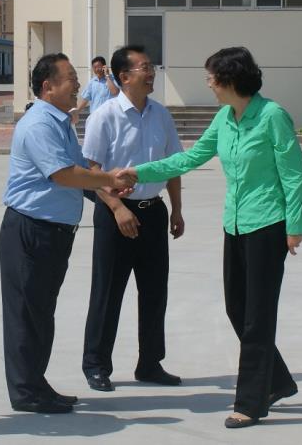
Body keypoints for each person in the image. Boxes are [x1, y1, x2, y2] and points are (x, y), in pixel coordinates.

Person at [119, 47, 302, 429]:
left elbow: (294, 174)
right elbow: (188, 159)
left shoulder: (272, 116)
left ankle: (250, 403)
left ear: (230, 79)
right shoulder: (224, 118)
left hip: (268, 226)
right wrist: (139, 172)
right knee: (237, 309)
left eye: (211, 77)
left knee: (257, 318)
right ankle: (278, 381)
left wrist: (294, 226)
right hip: (234, 225)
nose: (208, 84)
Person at [0, 53, 134, 414]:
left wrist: (111, 196)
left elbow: (79, 172)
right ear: (48, 86)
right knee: (26, 314)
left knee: (41, 312)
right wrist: (109, 178)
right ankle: (26, 392)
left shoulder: (60, 122)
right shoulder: (38, 125)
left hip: (51, 232)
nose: (77, 83)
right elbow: (63, 175)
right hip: (31, 229)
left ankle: (36, 383)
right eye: (70, 77)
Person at [81, 45, 184, 392]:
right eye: (144, 67)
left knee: (155, 291)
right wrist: (117, 208)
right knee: (107, 292)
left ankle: (150, 363)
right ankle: (96, 365)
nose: (151, 73)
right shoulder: (104, 116)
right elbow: (92, 172)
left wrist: (177, 209)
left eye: (151, 66)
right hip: (115, 215)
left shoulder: (161, 115)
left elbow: (173, 165)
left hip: (153, 212)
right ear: (124, 76)